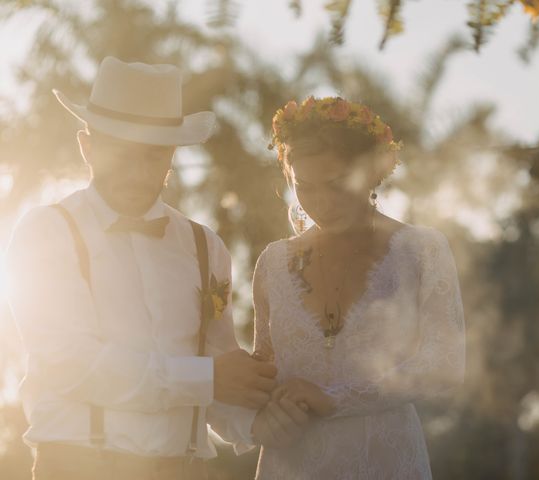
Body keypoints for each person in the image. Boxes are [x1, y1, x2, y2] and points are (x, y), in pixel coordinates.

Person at [5, 56, 305, 480]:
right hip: (79, 468)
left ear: (172, 155)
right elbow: (68, 362)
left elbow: (218, 376)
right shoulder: (46, 231)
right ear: (87, 147)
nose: (136, 170)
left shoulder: (205, 246)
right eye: (120, 151)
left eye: (153, 155)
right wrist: (207, 378)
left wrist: (262, 423)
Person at [249, 96, 466, 479]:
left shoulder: (422, 250)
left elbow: (444, 365)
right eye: (304, 186)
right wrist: (262, 415)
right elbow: (263, 372)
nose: (321, 202)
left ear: (370, 171)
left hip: (386, 462)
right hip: (291, 465)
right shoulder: (274, 263)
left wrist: (333, 401)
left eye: (335, 184)